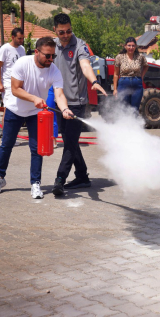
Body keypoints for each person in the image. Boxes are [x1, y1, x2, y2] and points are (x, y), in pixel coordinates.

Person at [0, 37, 73, 198]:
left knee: (36, 149)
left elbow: (59, 94)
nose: (50, 59)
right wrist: (34, 98)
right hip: (15, 110)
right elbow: (15, 89)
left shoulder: (54, 70)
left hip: (35, 114)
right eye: (47, 56)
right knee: (6, 145)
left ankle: (35, 183)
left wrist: (65, 108)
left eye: (53, 56)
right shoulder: (22, 63)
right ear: (37, 52)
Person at [51, 13, 107, 197]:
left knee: (69, 144)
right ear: (55, 30)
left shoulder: (79, 45)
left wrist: (93, 81)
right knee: (69, 141)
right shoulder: (52, 45)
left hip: (76, 103)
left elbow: (85, 66)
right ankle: (82, 176)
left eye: (68, 31)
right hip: (60, 102)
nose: (66, 35)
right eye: (62, 32)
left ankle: (60, 179)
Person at [113, 37, 148, 113]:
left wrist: (141, 76)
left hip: (137, 85)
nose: (131, 47)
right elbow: (116, 74)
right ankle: (123, 124)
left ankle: (133, 124)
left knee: (134, 109)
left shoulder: (140, 57)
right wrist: (115, 89)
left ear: (135, 46)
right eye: (129, 45)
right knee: (123, 108)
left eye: (133, 45)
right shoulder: (119, 57)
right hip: (123, 84)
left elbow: (146, 66)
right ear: (125, 46)